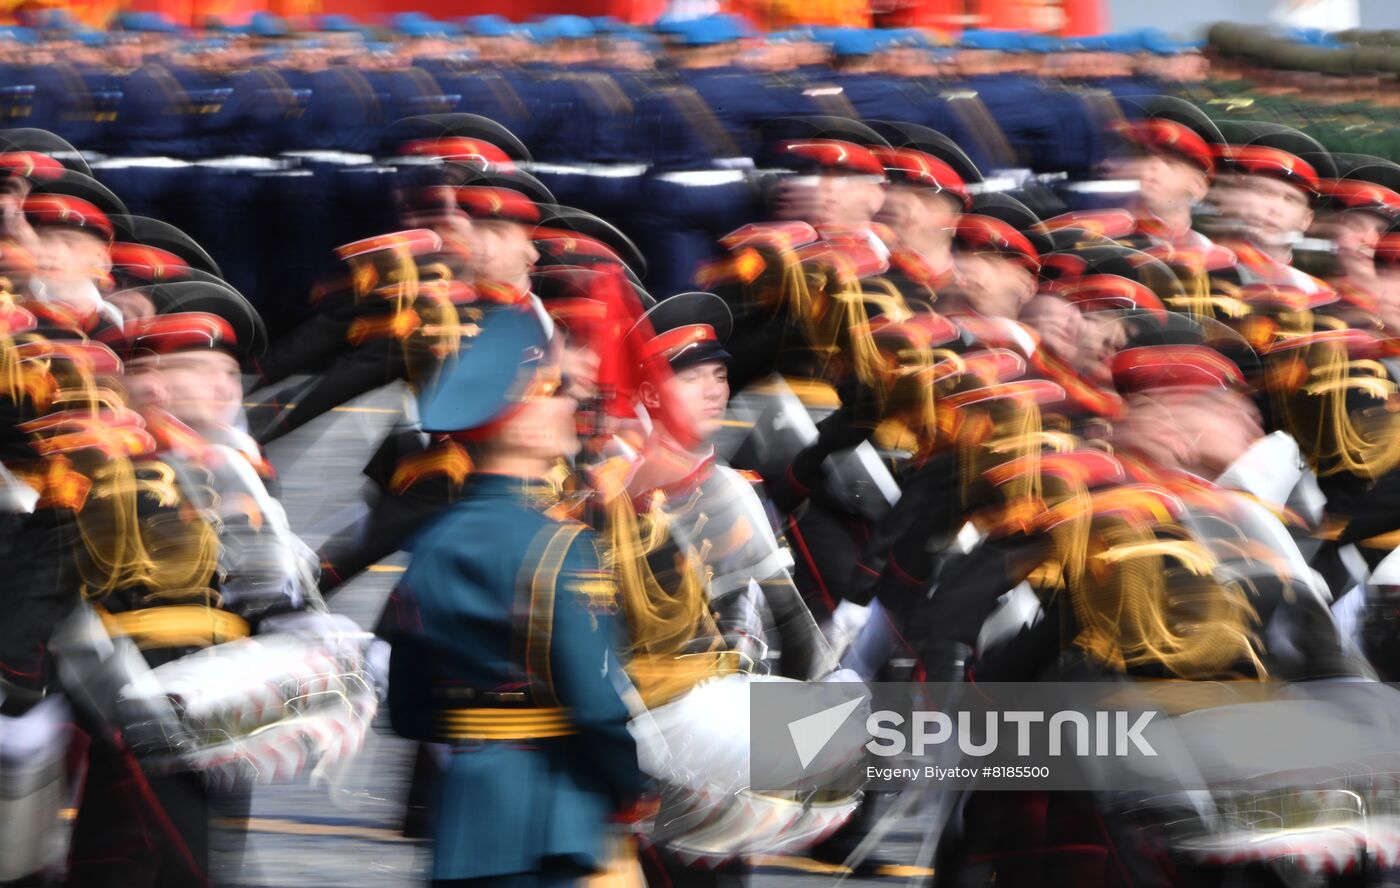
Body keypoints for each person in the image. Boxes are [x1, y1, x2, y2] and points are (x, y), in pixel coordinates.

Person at [375, 301, 644, 888]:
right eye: (553, 392)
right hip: (551, 817)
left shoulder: (434, 542)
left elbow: (409, 707)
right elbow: (594, 703)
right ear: (519, 424)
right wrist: (631, 788)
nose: (572, 404)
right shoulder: (561, 544)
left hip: (465, 817)